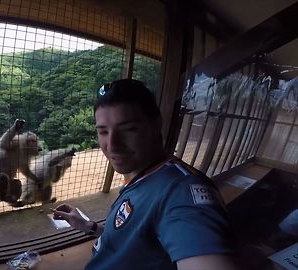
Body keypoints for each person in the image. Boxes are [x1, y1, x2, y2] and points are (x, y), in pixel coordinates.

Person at [53, 79, 241, 270]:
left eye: (129, 129)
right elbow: (129, 238)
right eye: (103, 132)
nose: (112, 145)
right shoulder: (143, 176)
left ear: (156, 125)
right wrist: (88, 226)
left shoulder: (180, 192)